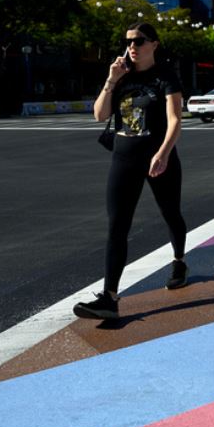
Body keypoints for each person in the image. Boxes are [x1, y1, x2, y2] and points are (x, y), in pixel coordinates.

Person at [73, 22, 188, 320]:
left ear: (154, 44)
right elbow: (100, 115)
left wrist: (162, 153)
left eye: (140, 41)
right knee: (117, 226)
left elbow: (175, 120)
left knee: (171, 213)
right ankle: (109, 297)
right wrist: (111, 80)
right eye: (129, 42)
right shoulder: (121, 77)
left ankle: (179, 261)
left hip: (159, 159)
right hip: (123, 160)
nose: (133, 46)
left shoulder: (166, 76)